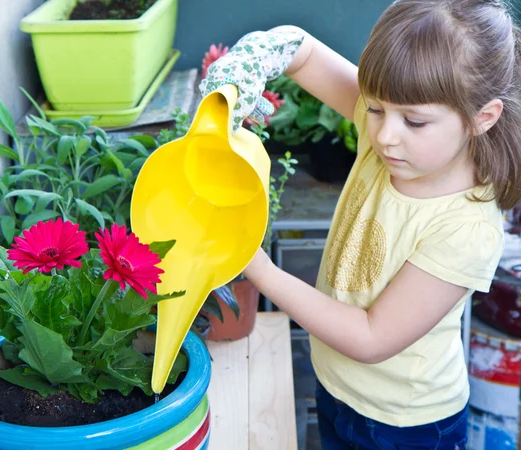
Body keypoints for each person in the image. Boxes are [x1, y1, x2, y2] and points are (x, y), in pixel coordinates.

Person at [200, 0, 521, 448]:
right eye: (375, 108)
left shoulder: (465, 228)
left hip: (406, 426)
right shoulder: (395, 143)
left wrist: (257, 265)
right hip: (336, 388)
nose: (385, 134)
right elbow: (303, 54)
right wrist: (256, 58)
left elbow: (371, 337)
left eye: (413, 120)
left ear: (481, 118)